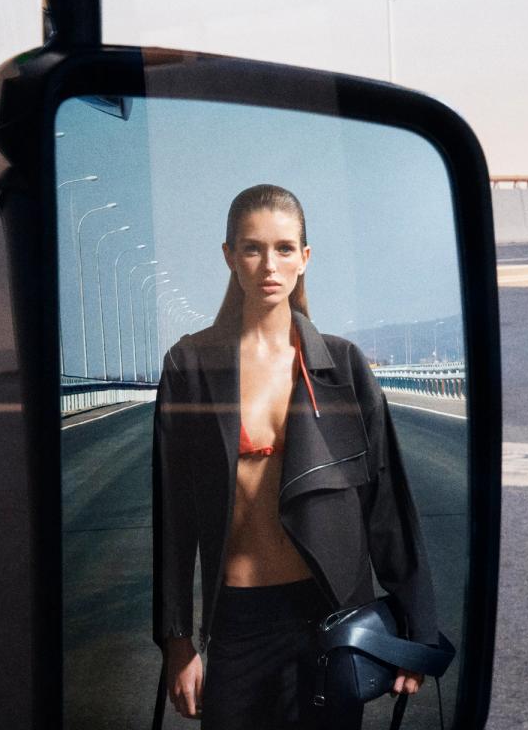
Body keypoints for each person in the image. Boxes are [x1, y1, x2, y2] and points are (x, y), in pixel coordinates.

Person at [153, 184, 439, 729]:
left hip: (333, 620)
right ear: (229, 256)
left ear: (304, 258)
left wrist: (417, 631)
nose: (269, 265)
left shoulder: (344, 367)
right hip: (238, 621)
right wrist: (177, 640)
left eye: (284, 248)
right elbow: (173, 517)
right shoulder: (189, 366)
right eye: (252, 248)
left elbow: (387, 506)